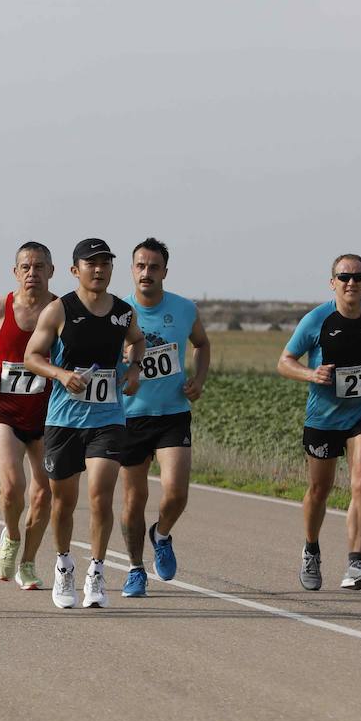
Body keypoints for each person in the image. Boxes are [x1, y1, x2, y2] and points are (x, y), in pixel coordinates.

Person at [24, 238, 145, 610]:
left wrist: (135, 367)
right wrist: (60, 374)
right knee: (63, 501)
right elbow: (31, 356)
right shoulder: (59, 310)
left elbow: (137, 341)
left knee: (101, 493)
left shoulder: (124, 312)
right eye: (90, 263)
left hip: (108, 417)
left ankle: (96, 570)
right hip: (63, 421)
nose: (98, 269)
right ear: (76, 270)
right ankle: (63, 565)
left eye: (105, 262)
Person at [277, 254, 361, 591]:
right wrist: (311, 374)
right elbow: (284, 362)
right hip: (323, 418)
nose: (351, 283)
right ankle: (311, 549)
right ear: (333, 283)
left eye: (358, 277)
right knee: (320, 489)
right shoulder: (316, 320)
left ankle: (355, 563)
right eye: (344, 277)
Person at [117, 238, 211, 597]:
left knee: (176, 492)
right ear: (132, 270)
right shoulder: (119, 311)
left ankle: (162, 533)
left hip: (172, 413)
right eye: (140, 266)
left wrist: (198, 380)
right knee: (133, 500)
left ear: (165, 272)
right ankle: (135, 569)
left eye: (154, 267)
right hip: (129, 417)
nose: (146, 273)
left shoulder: (184, 309)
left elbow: (202, 344)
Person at [0, 242, 57, 590]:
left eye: (39, 267)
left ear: (51, 271)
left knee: (42, 494)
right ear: (15, 271)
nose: (32, 273)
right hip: (6, 411)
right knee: (12, 489)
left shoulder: (61, 310)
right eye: (26, 267)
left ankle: (29, 562)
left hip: (49, 414)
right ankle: (10, 537)